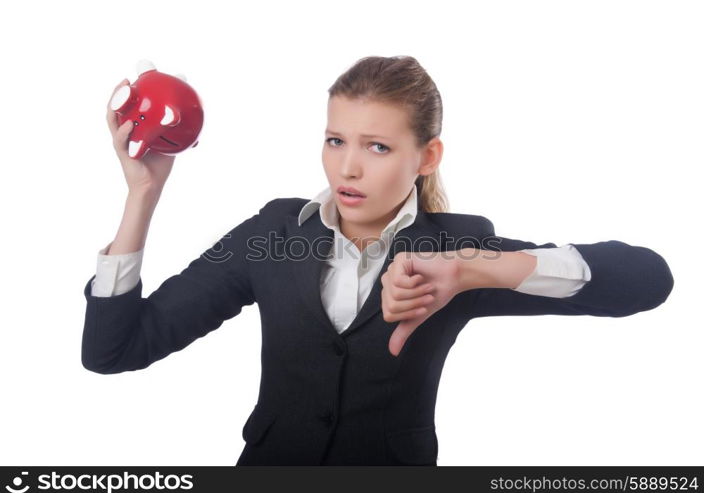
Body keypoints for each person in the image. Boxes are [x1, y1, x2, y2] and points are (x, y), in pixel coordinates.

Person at [81, 56, 674, 465]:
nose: (348, 169)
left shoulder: (452, 249)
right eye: (336, 140)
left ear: (426, 156)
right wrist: (143, 196)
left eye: (378, 146)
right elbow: (114, 351)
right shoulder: (272, 234)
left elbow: (648, 279)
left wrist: (473, 271)